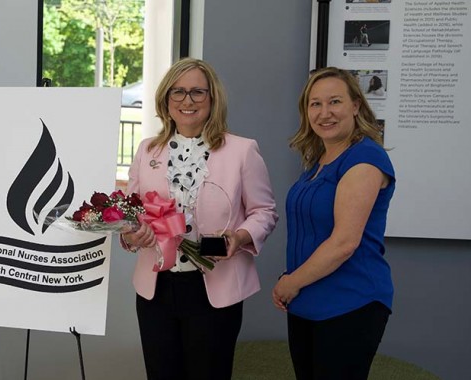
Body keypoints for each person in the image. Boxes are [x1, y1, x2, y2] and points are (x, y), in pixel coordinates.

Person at [119, 58, 278, 380]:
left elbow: (265, 212)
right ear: (165, 100)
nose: (186, 101)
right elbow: (132, 213)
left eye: (197, 92)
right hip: (156, 289)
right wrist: (131, 234)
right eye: (177, 92)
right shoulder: (147, 149)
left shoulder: (242, 151)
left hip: (215, 290)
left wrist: (241, 236)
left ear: (212, 98)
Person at [272, 67, 395, 380]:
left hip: (350, 302)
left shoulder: (365, 159)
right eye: (315, 104)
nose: (324, 113)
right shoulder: (319, 161)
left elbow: (344, 243)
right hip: (305, 300)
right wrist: (294, 281)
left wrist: (291, 282)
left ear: (355, 106)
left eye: (335, 102)